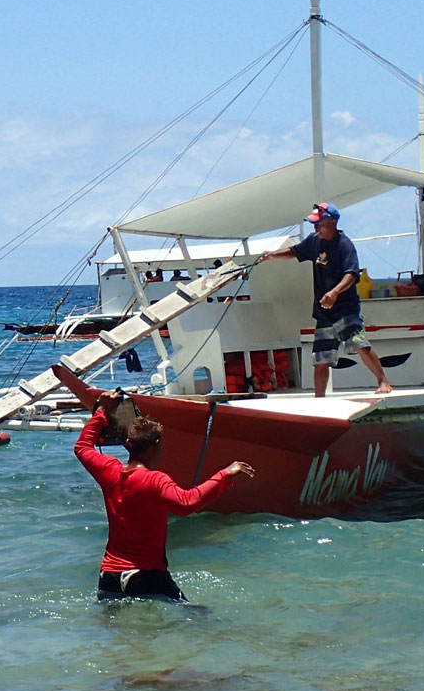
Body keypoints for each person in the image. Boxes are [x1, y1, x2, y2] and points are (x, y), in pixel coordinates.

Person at [70, 379, 253, 601]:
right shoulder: (156, 481)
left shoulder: (109, 471)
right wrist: (225, 474)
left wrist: (101, 411)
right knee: (198, 619)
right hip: (145, 576)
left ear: (128, 445)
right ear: (156, 445)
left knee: (119, 635)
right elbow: (187, 503)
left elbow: (82, 447)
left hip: (109, 575)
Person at [265, 203, 393, 397]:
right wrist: (273, 255)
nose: (316, 228)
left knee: (359, 344)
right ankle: (319, 397)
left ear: (332, 222)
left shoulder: (344, 245)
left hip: (346, 309)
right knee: (321, 358)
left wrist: (334, 292)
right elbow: (295, 251)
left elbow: (351, 274)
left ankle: (383, 381)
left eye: (319, 223)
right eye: (314, 224)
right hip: (324, 312)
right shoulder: (314, 241)